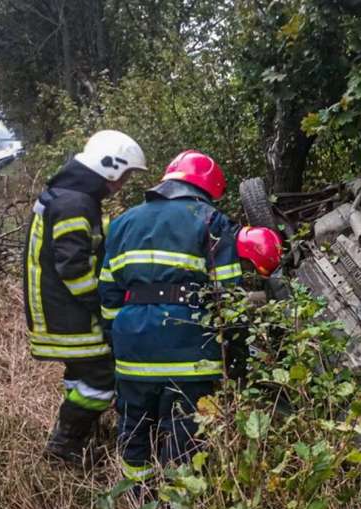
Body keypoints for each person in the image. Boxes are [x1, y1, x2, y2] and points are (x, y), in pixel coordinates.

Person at [99, 150, 283, 483]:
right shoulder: (211, 221)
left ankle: (137, 506)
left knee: (135, 432)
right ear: (208, 189)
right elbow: (228, 298)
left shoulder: (122, 222)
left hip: (132, 349)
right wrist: (236, 357)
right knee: (185, 439)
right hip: (189, 349)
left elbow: (109, 293)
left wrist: (117, 340)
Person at [23, 130, 147, 464]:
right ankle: (65, 445)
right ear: (109, 168)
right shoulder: (74, 204)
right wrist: (104, 306)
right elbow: (73, 269)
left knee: (81, 374)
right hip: (67, 314)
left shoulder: (68, 196)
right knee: (102, 376)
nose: (122, 184)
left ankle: (81, 433)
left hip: (58, 312)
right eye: (125, 176)